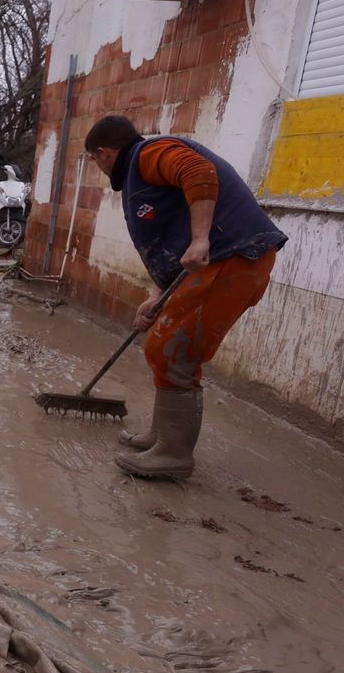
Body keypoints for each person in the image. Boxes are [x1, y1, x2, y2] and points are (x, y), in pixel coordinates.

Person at [84, 115, 287, 480]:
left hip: (233, 255)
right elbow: (172, 247)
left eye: (93, 161)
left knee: (173, 349)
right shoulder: (139, 174)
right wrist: (157, 297)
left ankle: (174, 455)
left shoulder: (148, 154)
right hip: (220, 259)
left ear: (102, 153)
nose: (97, 167)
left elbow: (198, 171)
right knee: (162, 346)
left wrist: (201, 239)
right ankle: (162, 437)